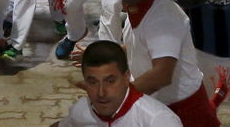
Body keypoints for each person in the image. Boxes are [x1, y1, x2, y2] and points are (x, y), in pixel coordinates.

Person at [120, 0, 220, 126]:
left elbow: (161, 75)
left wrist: (119, 97)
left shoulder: (163, 19)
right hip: (156, 108)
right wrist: (104, 55)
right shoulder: (138, 5)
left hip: (184, 114)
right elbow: (141, 46)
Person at [52, 41, 182, 126]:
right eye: (93, 82)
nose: (101, 93)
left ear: (126, 77)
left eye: (110, 81)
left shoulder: (158, 121)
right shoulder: (81, 110)